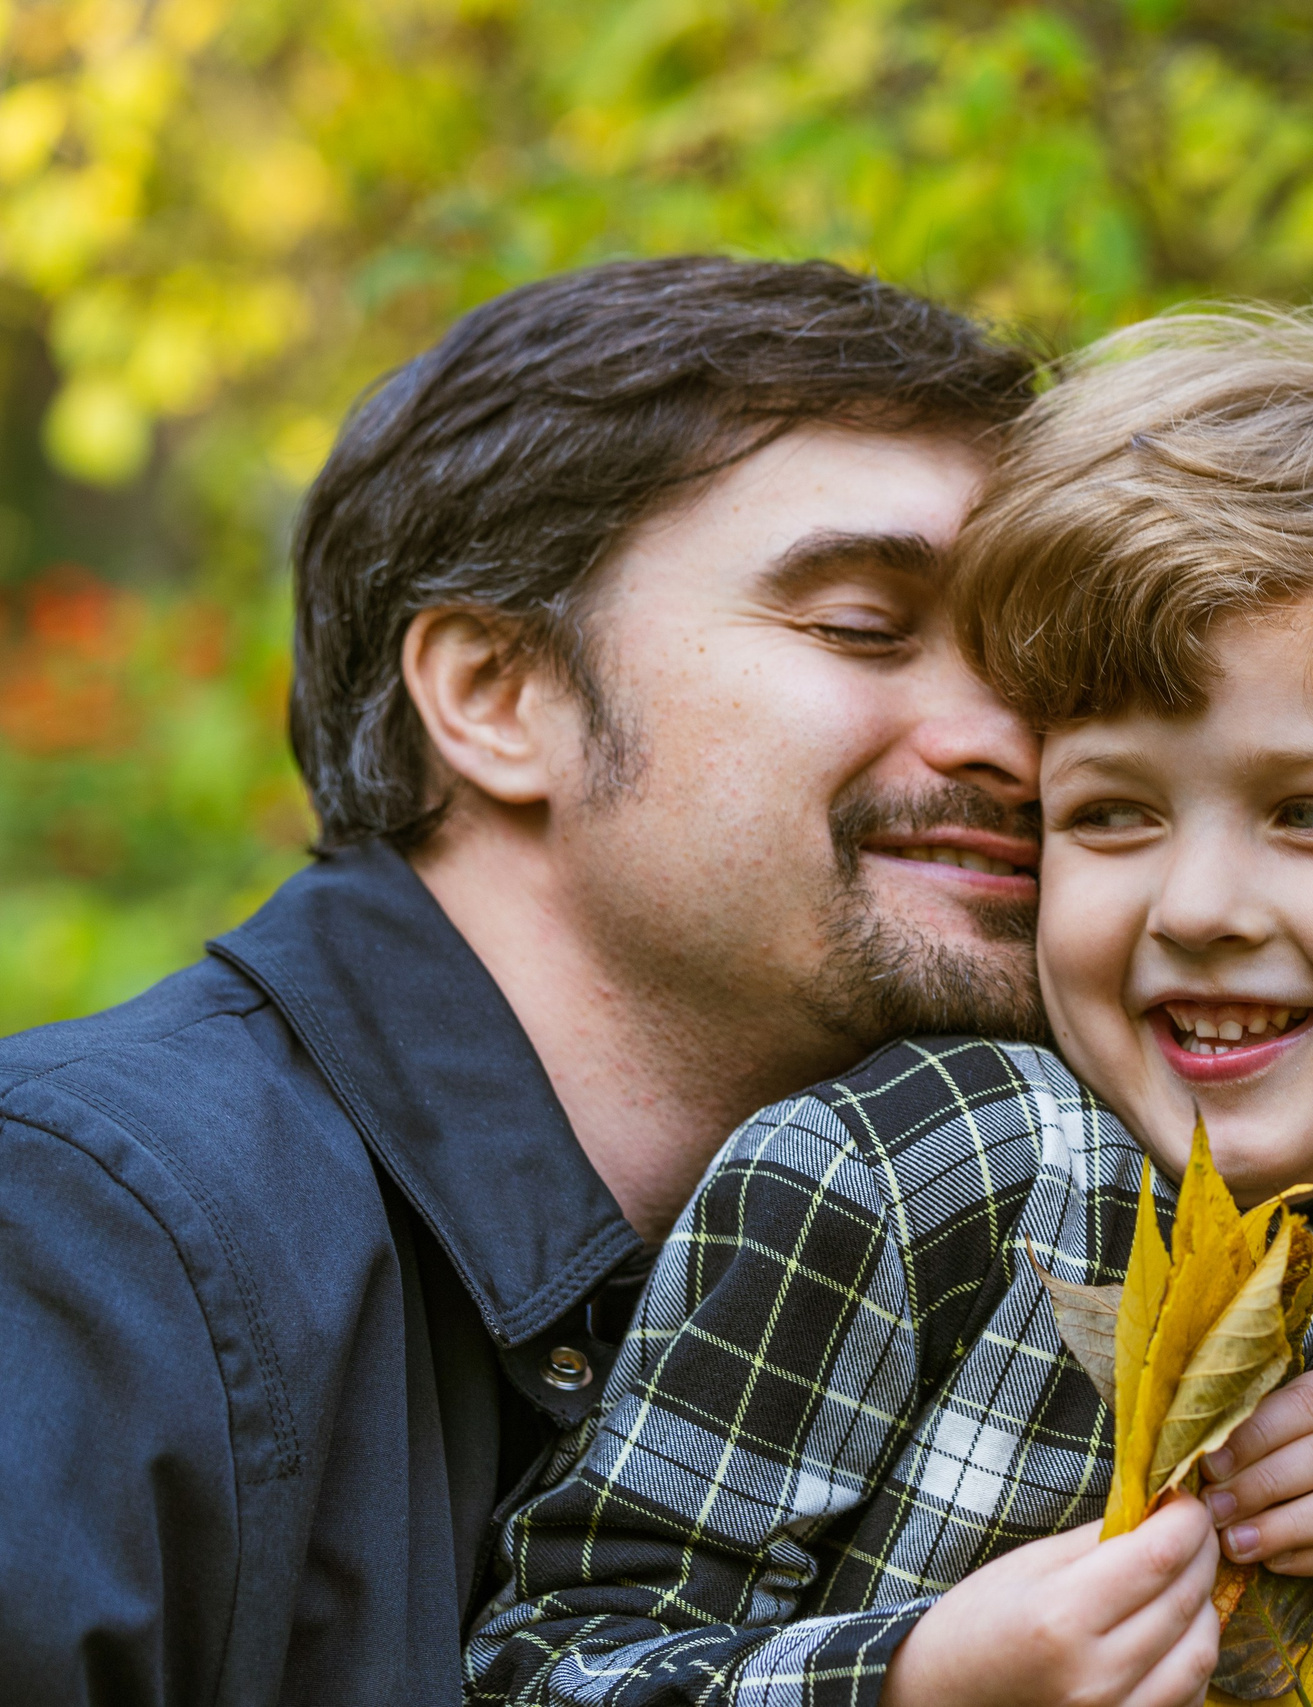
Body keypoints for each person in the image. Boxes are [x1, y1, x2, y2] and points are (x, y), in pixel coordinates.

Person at [464, 312, 1313, 1707]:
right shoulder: (914, 1168)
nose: (1197, 904)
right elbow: (547, 1659)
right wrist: (916, 1683)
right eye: (1112, 811)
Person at [0, 257, 1050, 1704]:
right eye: (867, 626)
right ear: (498, 695)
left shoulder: (1011, 1246)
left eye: (1042, 663)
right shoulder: (78, 1236)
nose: (1019, 740)